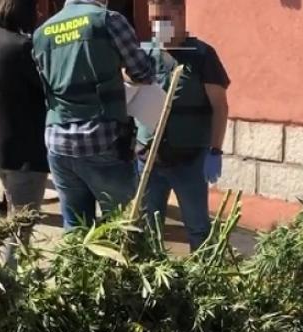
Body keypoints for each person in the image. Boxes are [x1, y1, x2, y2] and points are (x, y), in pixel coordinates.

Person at [31, 0, 154, 231]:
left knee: (76, 229)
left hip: (58, 140)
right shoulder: (108, 20)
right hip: (102, 137)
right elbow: (142, 71)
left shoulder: (42, 32)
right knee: (124, 227)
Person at [135, 0, 229, 251]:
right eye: (154, 20)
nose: (158, 26)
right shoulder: (145, 53)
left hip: (189, 161)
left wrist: (215, 151)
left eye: (164, 18)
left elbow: (220, 106)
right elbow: (128, 89)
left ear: (181, 14)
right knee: (147, 229)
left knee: (198, 228)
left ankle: (204, 282)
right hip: (149, 160)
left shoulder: (202, 56)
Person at [0, 0, 50, 266]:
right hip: (24, 151)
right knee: (22, 224)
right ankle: (10, 284)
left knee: (13, 216)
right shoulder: (22, 47)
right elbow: (46, 87)